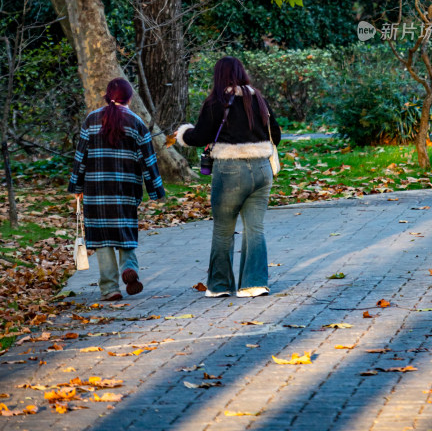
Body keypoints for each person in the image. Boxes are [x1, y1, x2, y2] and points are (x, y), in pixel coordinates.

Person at [176, 56, 281, 298]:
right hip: (262, 170)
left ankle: (220, 285)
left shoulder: (217, 102)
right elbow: (275, 135)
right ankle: (254, 284)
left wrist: (183, 133)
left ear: (218, 76)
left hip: (230, 171)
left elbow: (199, 136)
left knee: (224, 229)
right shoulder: (259, 100)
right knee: (255, 228)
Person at [68, 78, 165, 300]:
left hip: (96, 191)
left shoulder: (91, 120)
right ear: (129, 98)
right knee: (125, 232)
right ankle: (128, 269)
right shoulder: (137, 122)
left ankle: (110, 288)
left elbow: (80, 156)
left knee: (102, 239)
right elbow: (148, 160)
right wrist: (156, 191)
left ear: (106, 95)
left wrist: (76, 186)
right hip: (126, 190)